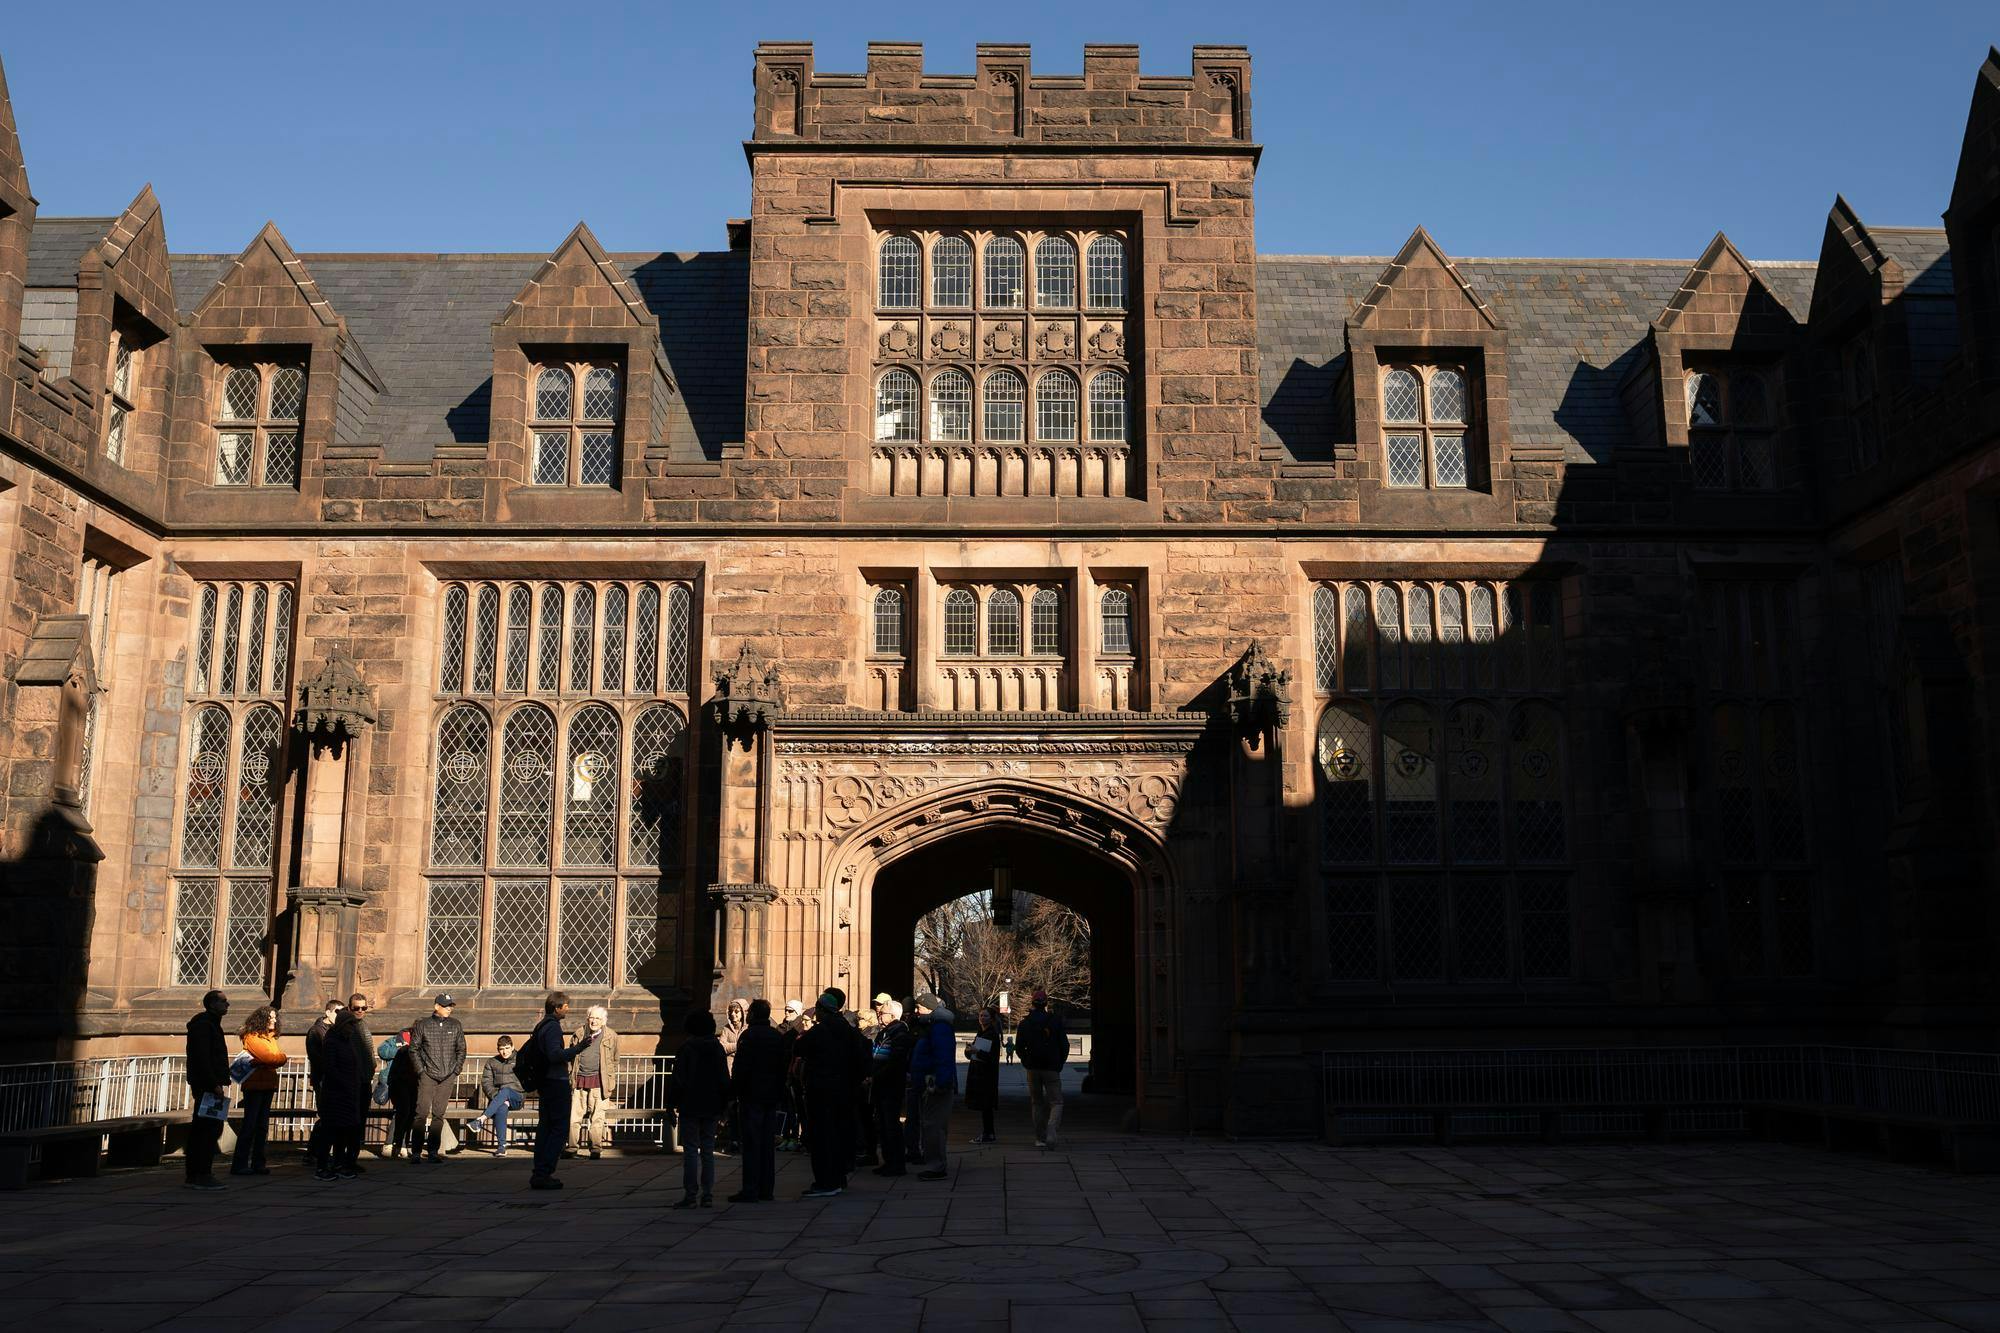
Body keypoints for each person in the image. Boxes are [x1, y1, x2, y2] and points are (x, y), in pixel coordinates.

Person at [794, 988, 869, 1197]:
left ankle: (826, 1182)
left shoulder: (820, 1030)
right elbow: (862, 1059)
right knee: (839, 1134)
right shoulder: (848, 1029)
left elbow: (798, 1049)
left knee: (822, 1137)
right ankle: (839, 1178)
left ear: (821, 1009)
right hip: (844, 1091)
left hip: (822, 1090)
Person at [527, 992, 590, 1190]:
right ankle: (544, 1172)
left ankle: (539, 1172)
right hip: (555, 1082)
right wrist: (578, 1049)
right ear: (557, 1008)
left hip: (546, 1082)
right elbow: (555, 1055)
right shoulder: (552, 1027)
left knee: (546, 1127)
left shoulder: (542, 1025)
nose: (568, 1009)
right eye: (565, 1006)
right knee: (558, 1128)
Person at [729, 998, 788, 1203]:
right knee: (767, 1144)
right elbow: (783, 1066)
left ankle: (750, 1189)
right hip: (771, 1096)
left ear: (752, 1015)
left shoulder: (749, 1036)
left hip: (751, 1096)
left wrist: (733, 1092)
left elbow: (741, 1068)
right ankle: (766, 1189)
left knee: (752, 1144)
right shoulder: (776, 1036)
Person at [669, 1011, 729, 1209]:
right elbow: (723, 1079)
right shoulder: (717, 1049)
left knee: (691, 1151)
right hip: (711, 1105)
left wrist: (671, 1104)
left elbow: (678, 1080)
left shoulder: (687, 1048)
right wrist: (724, 1105)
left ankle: (690, 1194)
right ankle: (708, 1194)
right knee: (708, 1151)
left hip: (690, 1105)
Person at [314, 996, 372, 1180]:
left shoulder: (347, 1040)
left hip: (350, 1092)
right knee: (331, 1130)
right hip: (336, 1093)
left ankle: (341, 1164)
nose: (351, 1028)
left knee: (345, 1129)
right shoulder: (332, 1040)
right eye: (349, 1025)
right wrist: (346, 1084)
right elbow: (330, 1067)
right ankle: (322, 1167)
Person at [409, 992, 466, 1163]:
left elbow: (461, 1049)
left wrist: (456, 1070)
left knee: (438, 1115)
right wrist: (421, 1070)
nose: (449, 1008)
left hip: (447, 1075)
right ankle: (416, 1152)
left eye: (451, 1006)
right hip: (428, 1074)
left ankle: (433, 1151)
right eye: (446, 1005)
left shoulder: (455, 1025)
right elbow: (414, 1049)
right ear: (436, 1007)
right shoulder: (424, 1025)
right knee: (421, 1113)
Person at [230, 1005, 287, 1176]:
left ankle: (258, 1163)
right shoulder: (252, 1037)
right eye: (271, 1017)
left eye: (275, 1017)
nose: (274, 1020)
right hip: (254, 1086)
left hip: (268, 1084)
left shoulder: (271, 1039)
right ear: (262, 1019)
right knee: (250, 1125)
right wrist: (276, 1059)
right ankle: (239, 1164)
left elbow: (277, 1058)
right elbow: (273, 1057)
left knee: (262, 1126)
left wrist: (274, 1060)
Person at [182, 990, 231, 1190]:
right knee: (206, 1130)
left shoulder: (211, 1024)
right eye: (223, 1001)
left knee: (208, 1128)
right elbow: (203, 1059)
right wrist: (214, 1084)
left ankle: (197, 1174)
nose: (227, 1005)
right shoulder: (203, 1026)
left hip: (210, 1084)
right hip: (207, 1086)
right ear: (212, 1004)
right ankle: (201, 1174)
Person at [906, 992, 957, 1181]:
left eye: (919, 1008)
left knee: (933, 1125)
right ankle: (935, 1163)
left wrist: (941, 1083)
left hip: (935, 1084)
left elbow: (943, 1057)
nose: (917, 1012)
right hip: (929, 1083)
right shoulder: (932, 1026)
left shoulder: (939, 1027)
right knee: (931, 1125)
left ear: (928, 1008)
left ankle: (936, 1166)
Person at [1016, 990, 1069, 1150]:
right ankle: (1052, 1129)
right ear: (1046, 1003)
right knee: (1057, 1101)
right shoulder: (1055, 1021)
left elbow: (1019, 1047)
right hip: (1051, 1067)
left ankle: (1040, 1137)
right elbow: (1064, 1045)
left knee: (1037, 1103)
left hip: (1033, 1067)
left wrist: (1026, 1061)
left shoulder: (1025, 1023)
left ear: (1032, 1003)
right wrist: (1059, 1063)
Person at [568, 1004, 620, 1159]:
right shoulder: (578, 1034)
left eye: (598, 1018)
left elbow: (615, 1059)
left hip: (600, 1083)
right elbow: (571, 1056)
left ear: (603, 1021)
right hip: (579, 1081)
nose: (594, 1021)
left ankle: (595, 1149)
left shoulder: (611, 1036)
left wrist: (609, 1075)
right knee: (574, 1118)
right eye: (592, 1017)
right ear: (587, 1018)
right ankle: (571, 1148)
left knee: (597, 1118)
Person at [869, 997, 913, 1178]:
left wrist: (876, 1076)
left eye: (883, 1012)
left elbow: (896, 1062)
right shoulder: (884, 1032)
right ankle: (888, 1161)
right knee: (882, 1124)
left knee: (891, 1125)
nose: (879, 1014)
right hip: (880, 1085)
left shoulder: (900, 1033)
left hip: (891, 1087)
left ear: (893, 1015)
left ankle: (896, 1163)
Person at [466, 1037, 524, 1156]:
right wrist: (498, 1096)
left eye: (507, 1048)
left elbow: (529, 1078)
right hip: (498, 1099)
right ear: (498, 1049)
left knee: (506, 1090)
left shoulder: (521, 1059)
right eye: (501, 1049)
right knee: (501, 1108)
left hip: (517, 1097)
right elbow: (486, 1083)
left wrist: (506, 1094)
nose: (505, 1052)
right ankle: (501, 1147)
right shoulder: (492, 1062)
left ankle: (481, 1119)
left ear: (512, 1047)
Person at [303, 1000, 343, 1167]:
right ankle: (316, 1153)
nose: (341, 1016)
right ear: (328, 1012)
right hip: (323, 1079)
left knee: (330, 1117)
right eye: (338, 1012)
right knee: (326, 1116)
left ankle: (316, 1152)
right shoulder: (316, 1031)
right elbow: (316, 1057)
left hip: (335, 1078)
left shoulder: (337, 1031)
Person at [964, 1005, 1003, 1145]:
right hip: (978, 1071)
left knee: (986, 1105)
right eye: (981, 1015)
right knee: (984, 1105)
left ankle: (988, 1133)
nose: (982, 1018)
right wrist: (969, 1051)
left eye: (985, 1016)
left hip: (986, 1074)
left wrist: (976, 1051)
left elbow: (992, 1057)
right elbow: (972, 1052)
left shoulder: (992, 1034)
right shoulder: (980, 1032)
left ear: (991, 1019)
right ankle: (988, 1132)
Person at [379, 1030, 418, 1158]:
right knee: (402, 1112)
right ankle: (391, 1144)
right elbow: (382, 1051)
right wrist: (402, 1050)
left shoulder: (420, 1042)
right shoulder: (395, 1040)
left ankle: (402, 1145)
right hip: (395, 1080)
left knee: (409, 1113)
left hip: (413, 1082)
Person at [778, 1000, 808, 1151]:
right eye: (786, 1010)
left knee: (796, 1108)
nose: (786, 1013)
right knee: (785, 1107)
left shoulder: (800, 1029)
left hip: (795, 1074)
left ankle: (796, 1137)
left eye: (790, 1011)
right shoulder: (780, 1027)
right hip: (783, 1072)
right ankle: (786, 1136)